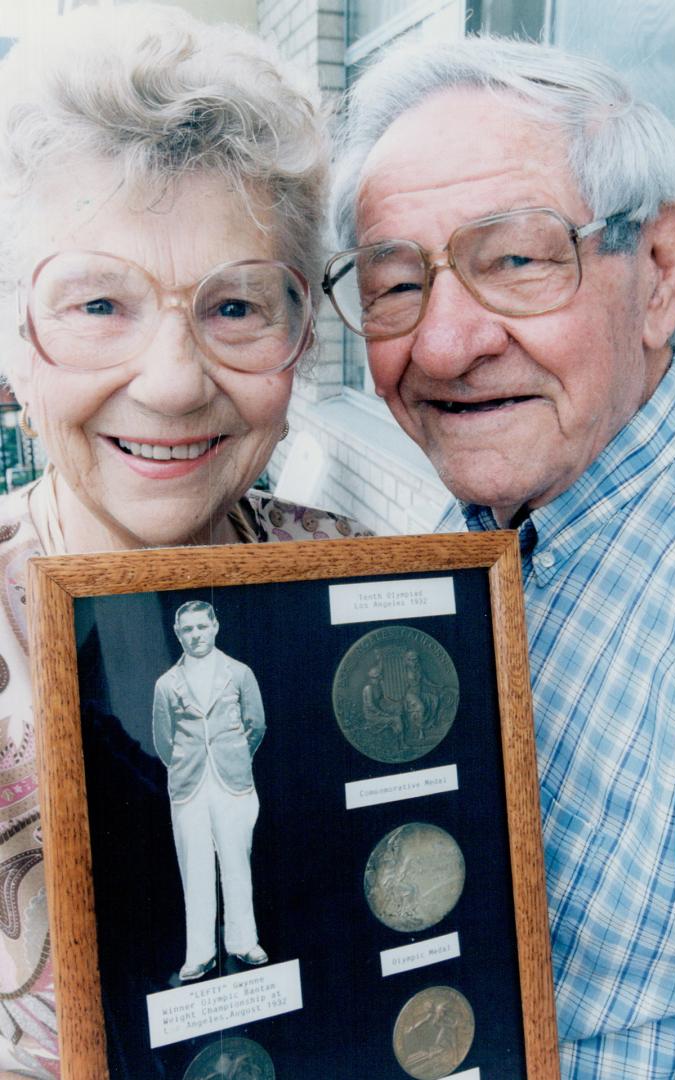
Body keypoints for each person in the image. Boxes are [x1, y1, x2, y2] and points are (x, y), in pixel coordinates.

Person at [0, 4, 366, 1076]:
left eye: (237, 307)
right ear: (13, 345)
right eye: (100, 302)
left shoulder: (350, 575)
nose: (171, 381)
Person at [325, 35, 675, 1079]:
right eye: (394, 284)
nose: (442, 346)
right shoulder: (454, 551)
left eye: (517, 260)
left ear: (658, 269)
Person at [153, 601, 266, 982]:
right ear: (177, 633)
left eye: (202, 626)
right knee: (196, 869)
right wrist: (188, 766)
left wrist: (234, 758)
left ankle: (243, 942)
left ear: (215, 626)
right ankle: (199, 954)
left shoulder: (239, 673)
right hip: (188, 788)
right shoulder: (167, 684)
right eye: (188, 629)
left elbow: (256, 725)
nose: (196, 635)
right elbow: (162, 741)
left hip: (233, 783)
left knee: (237, 863)